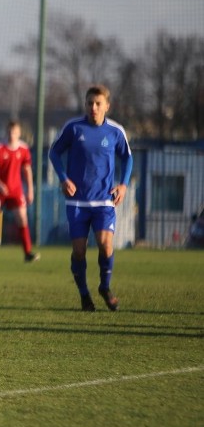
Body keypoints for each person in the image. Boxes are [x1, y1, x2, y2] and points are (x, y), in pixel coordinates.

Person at [49, 84, 133, 312]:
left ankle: (105, 287)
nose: (93, 108)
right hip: (77, 201)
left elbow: (127, 158)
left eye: (98, 103)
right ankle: (84, 295)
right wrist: (63, 178)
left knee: (106, 246)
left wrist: (123, 185)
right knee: (79, 251)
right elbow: (54, 152)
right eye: (89, 103)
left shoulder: (116, 131)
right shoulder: (74, 128)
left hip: (104, 200)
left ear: (107, 105)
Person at [0, 120, 40, 263]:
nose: (11, 135)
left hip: (15, 190)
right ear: (6, 132)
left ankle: (28, 252)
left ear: (19, 133)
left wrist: (30, 190)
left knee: (22, 217)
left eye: (14, 132)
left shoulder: (24, 149)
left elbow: (27, 171)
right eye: (9, 131)